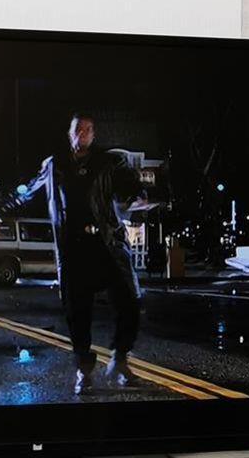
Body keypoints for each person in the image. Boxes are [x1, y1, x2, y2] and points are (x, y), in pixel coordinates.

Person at [8, 113, 148, 393]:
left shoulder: (107, 162)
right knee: (77, 312)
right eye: (78, 129)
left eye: (88, 129)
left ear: (93, 134)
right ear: (69, 133)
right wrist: (5, 206)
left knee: (129, 302)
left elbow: (130, 186)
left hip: (106, 243)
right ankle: (84, 371)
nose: (83, 134)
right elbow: (30, 191)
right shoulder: (54, 165)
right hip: (73, 248)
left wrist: (138, 195)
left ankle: (120, 359)